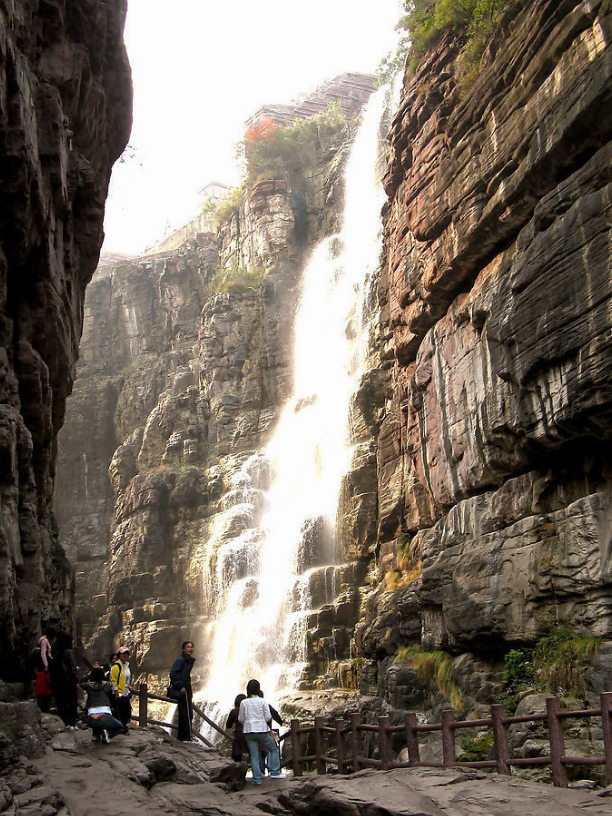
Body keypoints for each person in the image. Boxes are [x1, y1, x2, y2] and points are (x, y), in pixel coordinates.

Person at [238, 679, 282, 785]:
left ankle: (257, 779)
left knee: (254, 755)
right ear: (258, 689)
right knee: (273, 748)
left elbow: (240, 718)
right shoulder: (263, 701)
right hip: (261, 730)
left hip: (248, 731)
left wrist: (248, 722)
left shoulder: (243, 702)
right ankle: (275, 772)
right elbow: (268, 717)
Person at [79, 666, 125, 743]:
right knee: (120, 727)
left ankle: (96, 735)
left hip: (91, 717)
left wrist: (88, 675)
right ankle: (108, 734)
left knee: (95, 719)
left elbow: (81, 683)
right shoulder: (107, 685)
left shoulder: (88, 686)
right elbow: (114, 688)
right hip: (105, 715)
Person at [50, 631, 79, 731]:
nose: (73, 642)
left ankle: (64, 722)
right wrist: (76, 680)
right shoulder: (68, 652)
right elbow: (73, 667)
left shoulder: (55, 651)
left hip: (59, 682)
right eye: (72, 641)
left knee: (62, 702)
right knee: (71, 702)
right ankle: (72, 723)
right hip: (69, 682)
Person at [168, 641, 195, 741]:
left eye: (191, 647)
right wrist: (180, 686)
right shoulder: (181, 660)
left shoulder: (189, 660)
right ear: (183, 649)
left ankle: (186, 736)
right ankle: (184, 737)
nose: (190, 649)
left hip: (187, 690)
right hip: (182, 690)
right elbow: (173, 674)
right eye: (188, 647)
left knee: (188, 713)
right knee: (185, 714)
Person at [110, 646, 134, 733]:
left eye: (127, 654)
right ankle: (121, 729)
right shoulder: (116, 666)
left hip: (125, 693)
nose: (125, 655)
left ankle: (123, 728)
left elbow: (125, 678)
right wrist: (116, 693)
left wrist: (129, 686)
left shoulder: (126, 666)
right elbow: (113, 680)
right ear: (119, 655)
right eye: (123, 654)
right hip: (119, 694)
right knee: (120, 713)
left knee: (126, 712)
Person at [34, 626, 56, 712]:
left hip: (42, 666)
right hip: (44, 666)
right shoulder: (45, 641)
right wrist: (46, 665)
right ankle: (45, 706)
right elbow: (43, 653)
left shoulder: (40, 639)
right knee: (46, 683)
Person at [226, 693, 248, 762]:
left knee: (236, 758)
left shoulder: (234, 712)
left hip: (239, 738)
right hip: (250, 735)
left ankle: (237, 769)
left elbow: (228, 725)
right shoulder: (249, 711)